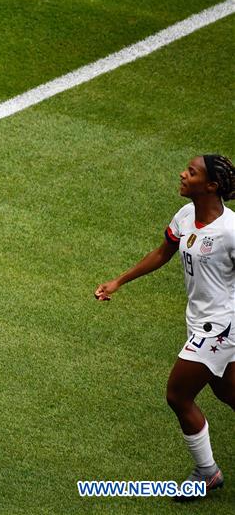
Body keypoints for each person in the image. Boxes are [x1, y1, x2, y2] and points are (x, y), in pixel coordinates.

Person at [95, 154, 235, 500]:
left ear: (211, 186)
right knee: (227, 393)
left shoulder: (231, 231)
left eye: (192, 172)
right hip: (199, 322)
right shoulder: (186, 216)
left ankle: (207, 473)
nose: (182, 174)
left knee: (177, 395)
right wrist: (119, 281)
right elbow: (163, 252)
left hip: (220, 328)